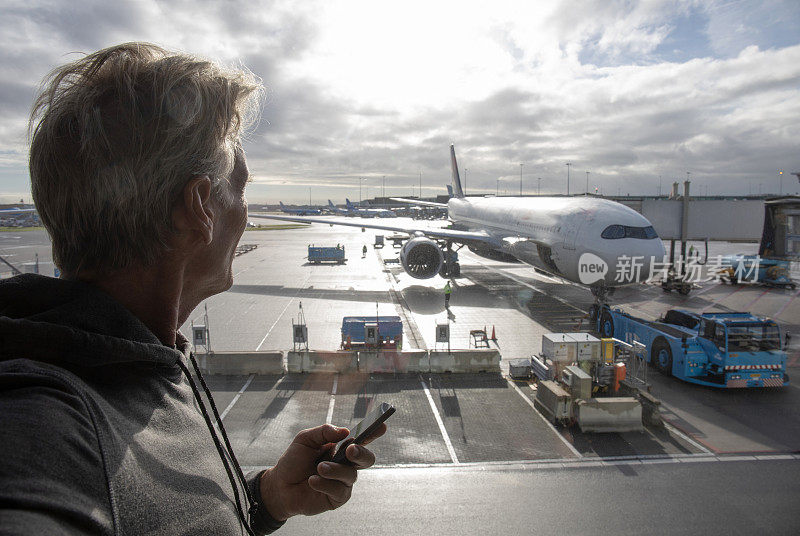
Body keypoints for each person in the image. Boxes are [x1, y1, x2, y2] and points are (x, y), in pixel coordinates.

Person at [0, 43, 385, 535]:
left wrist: (263, 500)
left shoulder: (144, 354)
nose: (245, 213)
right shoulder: (45, 420)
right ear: (200, 206)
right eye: (240, 189)